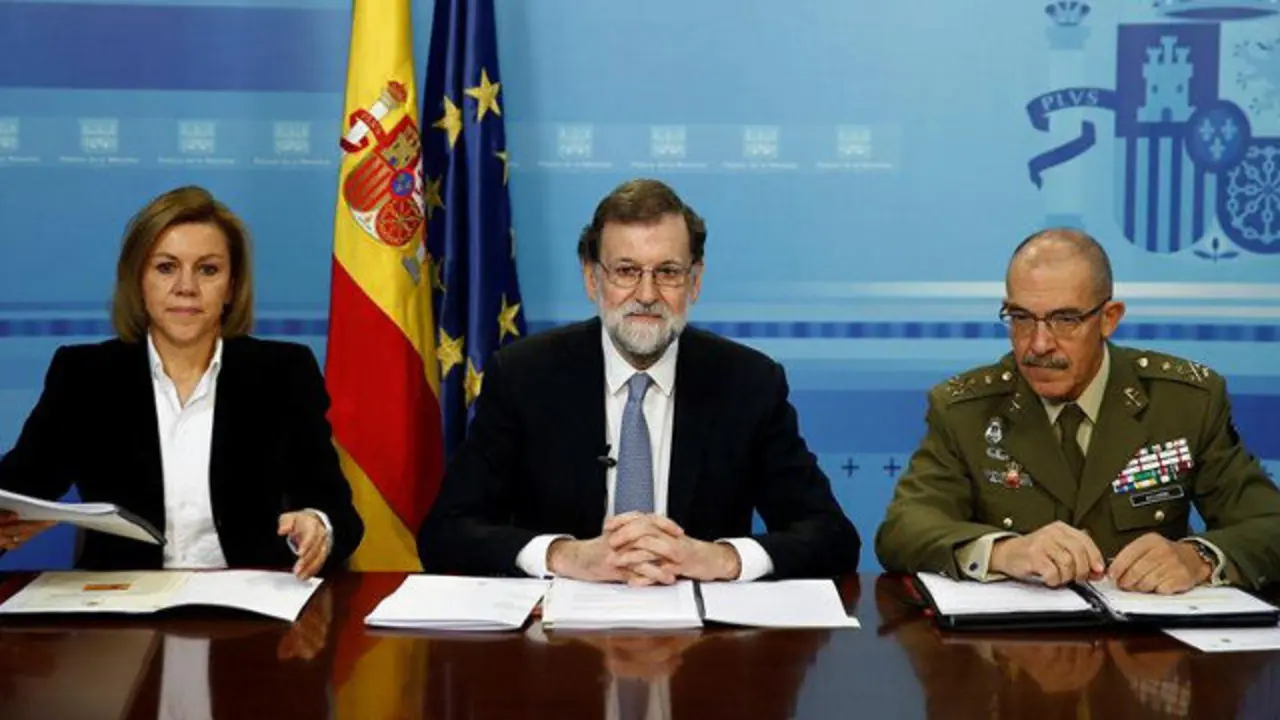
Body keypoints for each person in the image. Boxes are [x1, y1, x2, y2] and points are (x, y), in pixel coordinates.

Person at [417, 178, 858, 583]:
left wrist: (719, 558)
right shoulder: (524, 376)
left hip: (704, 650)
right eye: (626, 271)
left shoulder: (748, 382)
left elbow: (832, 537)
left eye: (667, 272)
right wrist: (565, 556)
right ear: (592, 279)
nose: (647, 295)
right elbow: (446, 533)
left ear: (695, 282)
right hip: (558, 649)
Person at [875, 228, 1280, 593]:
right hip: (1012, 658)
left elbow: (1269, 527)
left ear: (1109, 319)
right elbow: (902, 530)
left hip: (1148, 655)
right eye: (1020, 318)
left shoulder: (1185, 403)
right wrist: (1004, 552)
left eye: (1065, 319)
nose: (1038, 344)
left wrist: (1198, 559)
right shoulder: (965, 410)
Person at [0, 186, 363, 579]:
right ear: (138, 279)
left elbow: (337, 511)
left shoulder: (282, 372)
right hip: (120, 615)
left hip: (249, 614)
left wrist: (316, 526)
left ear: (231, 286)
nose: (186, 287)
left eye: (208, 269)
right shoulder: (86, 375)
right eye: (166, 267)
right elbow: (20, 485)